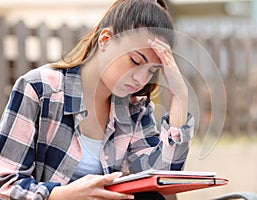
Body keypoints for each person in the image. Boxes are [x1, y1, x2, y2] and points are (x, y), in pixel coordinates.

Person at [0, 0, 194, 199]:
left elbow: (164, 180)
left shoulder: (134, 109)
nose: (140, 79)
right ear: (105, 39)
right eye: (135, 61)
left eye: (152, 71)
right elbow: (4, 184)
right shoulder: (39, 89)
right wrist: (62, 195)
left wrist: (180, 95)